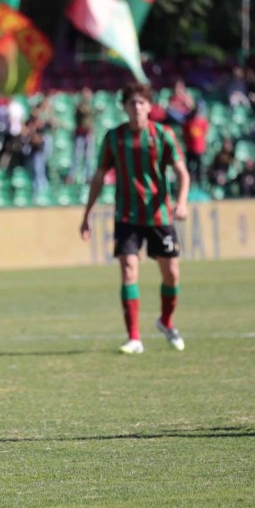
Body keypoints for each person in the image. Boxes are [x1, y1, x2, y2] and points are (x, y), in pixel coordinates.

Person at [79, 82, 190, 355]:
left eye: (141, 102)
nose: (137, 107)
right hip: (127, 216)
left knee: (171, 274)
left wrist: (181, 202)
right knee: (129, 269)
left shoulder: (163, 135)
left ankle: (166, 322)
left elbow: (182, 172)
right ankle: (134, 338)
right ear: (125, 107)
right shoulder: (114, 138)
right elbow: (99, 177)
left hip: (159, 216)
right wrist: (87, 214)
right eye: (132, 103)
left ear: (149, 106)